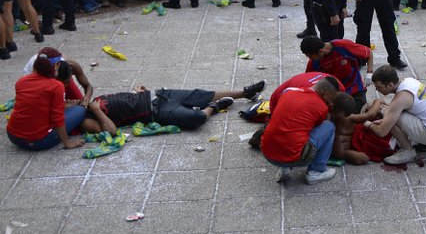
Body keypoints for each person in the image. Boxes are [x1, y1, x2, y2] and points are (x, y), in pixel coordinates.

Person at [6, 52, 103, 150]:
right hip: (37, 142)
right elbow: (57, 117)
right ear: (56, 66)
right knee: (80, 110)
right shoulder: (56, 86)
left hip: (13, 136)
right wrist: (67, 143)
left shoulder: (21, 81)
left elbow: (31, 103)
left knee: (74, 106)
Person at [368, 65, 426, 165]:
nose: (376, 89)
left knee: (388, 113)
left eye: (378, 87)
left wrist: (367, 123)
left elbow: (381, 132)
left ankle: (408, 151)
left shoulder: (401, 98)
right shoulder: (409, 81)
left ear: (390, 85)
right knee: (392, 110)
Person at [86, 81, 264, 130]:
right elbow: (110, 131)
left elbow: (123, 102)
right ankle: (214, 107)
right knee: (197, 119)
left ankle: (245, 92)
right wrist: (96, 111)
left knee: (202, 94)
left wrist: (136, 92)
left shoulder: (89, 101)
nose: (69, 100)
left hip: (158, 94)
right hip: (156, 112)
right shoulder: (86, 120)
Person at [261, 78, 340, 185]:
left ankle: (284, 168)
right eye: (331, 98)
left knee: (290, 126)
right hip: (293, 157)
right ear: (325, 92)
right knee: (329, 127)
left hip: (267, 153)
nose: (331, 102)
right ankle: (316, 171)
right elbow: (315, 128)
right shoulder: (321, 107)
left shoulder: (288, 92)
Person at [301, 35, 373, 113]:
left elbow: (368, 52)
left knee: (356, 116)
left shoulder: (343, 46)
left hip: (355, 89)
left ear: (320, 51)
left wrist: (369, 72)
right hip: (334, 95)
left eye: (311, 57)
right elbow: (308, 81)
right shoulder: (314, 63)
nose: (310, 59)